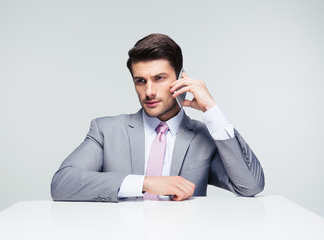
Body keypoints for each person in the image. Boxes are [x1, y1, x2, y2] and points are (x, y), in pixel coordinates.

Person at [51, 33, 265, 202]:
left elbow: (250, 186)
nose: (149, 91)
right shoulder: (106, 130)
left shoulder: (204, 137)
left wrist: (212, 109)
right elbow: (62, 183)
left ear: (182, 79)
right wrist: (145, 183)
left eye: (159, 78)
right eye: (141, 81)